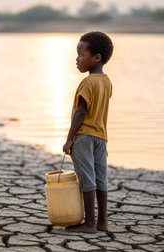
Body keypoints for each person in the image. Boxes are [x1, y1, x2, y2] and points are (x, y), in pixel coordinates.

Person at [62, 31, 113, 233]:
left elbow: (80, 112)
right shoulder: (106, 82)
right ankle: (102, 222)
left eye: (81, 55)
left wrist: (69, 138)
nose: (77, 59)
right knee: (101, 178)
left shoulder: (88, 83)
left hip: (84, 137)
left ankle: (89, 224)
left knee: (87, 178)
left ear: (96, 57)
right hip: (101, 137)